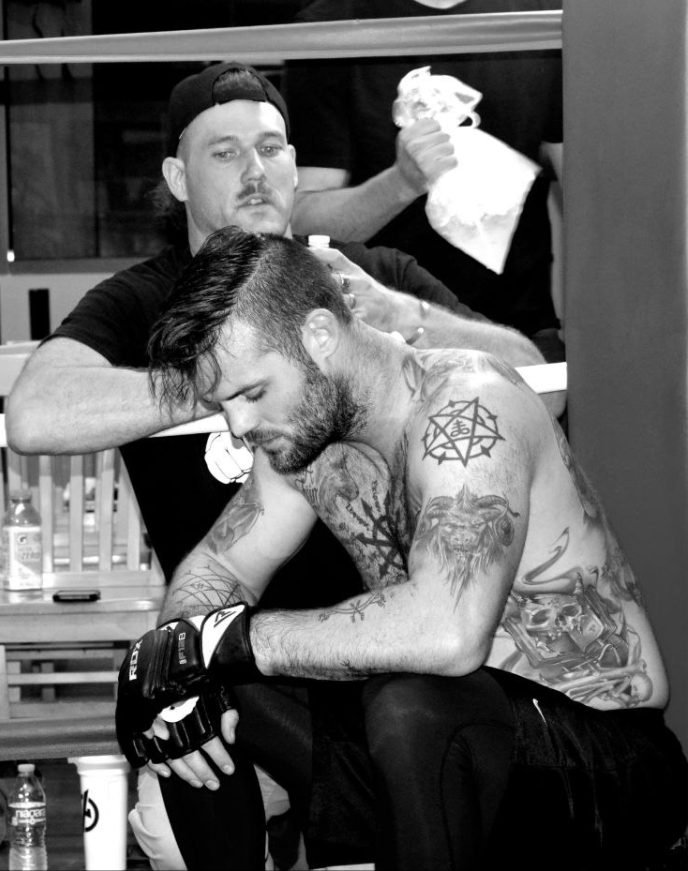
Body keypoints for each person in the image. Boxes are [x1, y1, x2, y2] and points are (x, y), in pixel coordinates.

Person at [6, 60, 556, 868]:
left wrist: (400, 317)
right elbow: (35, 411)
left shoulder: (358, 280)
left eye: (272, 147)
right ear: (176, 176)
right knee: (178, 777)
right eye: (224, 153)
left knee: (405, 740)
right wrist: (233, 372)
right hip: (251, 672)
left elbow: (534, 378)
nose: (255, 170)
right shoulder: (144, 300)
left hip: (402, 663)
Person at [116, 226, 687, 870]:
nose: (240, 426)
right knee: (194, 693)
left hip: (599, 769)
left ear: (320, 336)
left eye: (251, 393)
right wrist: (175, 664)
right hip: (434, 757)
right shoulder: (306, 441)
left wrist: (230, 640)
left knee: (410, 698)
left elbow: (449, 634)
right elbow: (222, 565)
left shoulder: (468, 411)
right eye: (225, 405)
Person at [284, 0, 566, 362]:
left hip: (520, 334)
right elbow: (302, 222)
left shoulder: (544, 14)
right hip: (376, 344)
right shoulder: (329, 25)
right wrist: (400, 183)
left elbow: (596, 193)